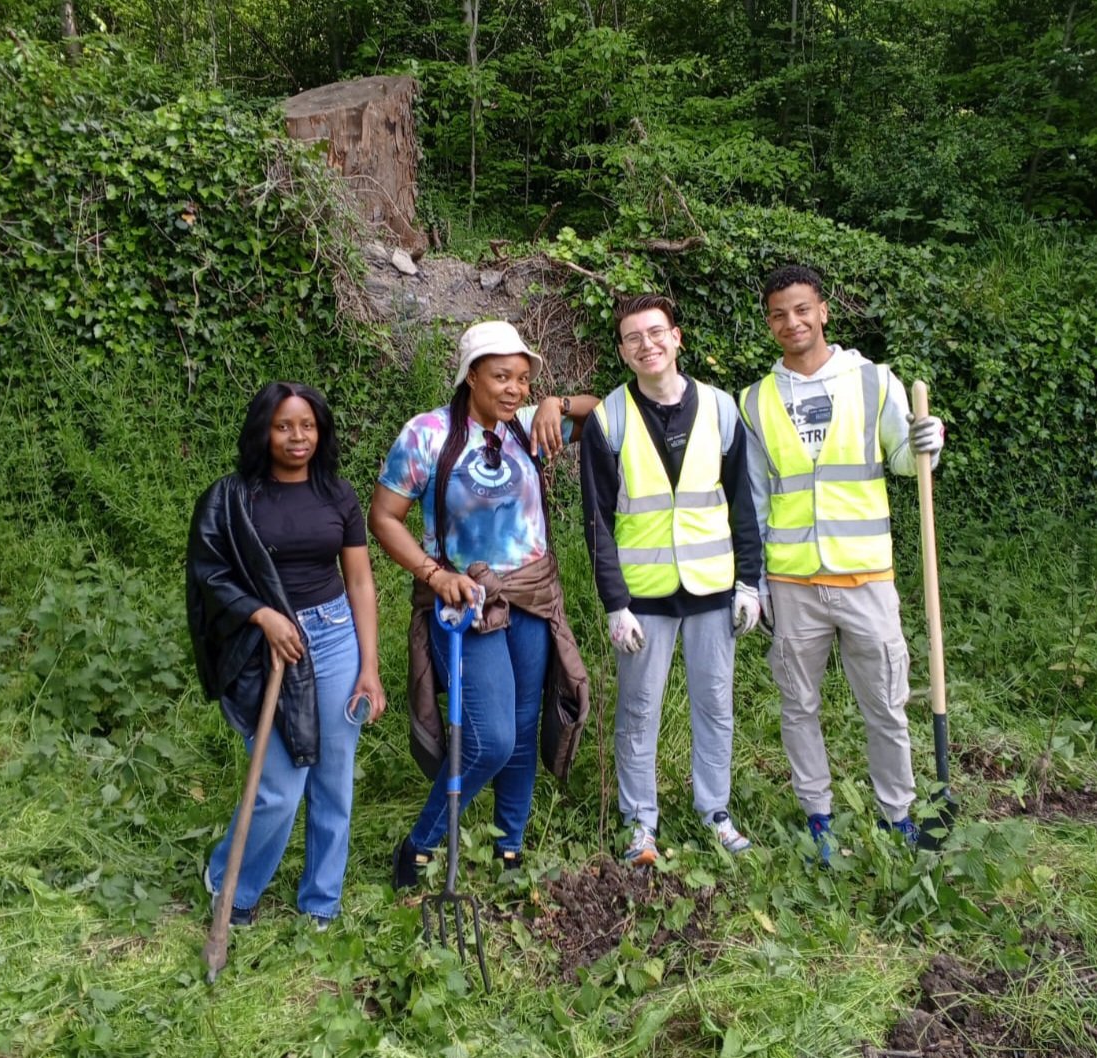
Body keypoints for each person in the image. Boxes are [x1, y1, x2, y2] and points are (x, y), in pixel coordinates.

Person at [368, 320, 597, 886]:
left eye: (522, 378)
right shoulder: (427, 434)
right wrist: (431, 572)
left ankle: (509, 847)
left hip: (532, 594)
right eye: (501, 376)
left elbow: (610, 410)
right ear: (471, 376)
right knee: (491, 736)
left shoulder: (529, 429)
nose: (513, 388)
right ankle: (422, 841)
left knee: (521, 729)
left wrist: (555, 402)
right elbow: (383, 517)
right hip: (465, 600)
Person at [739, 264, 946, 858]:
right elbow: (754, 500)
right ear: (769, 322)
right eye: (778, 313)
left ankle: (897, 813)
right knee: (798, 705)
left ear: (824, 311)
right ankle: (818, 815)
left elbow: (905, 461)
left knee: (885, 702)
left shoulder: (875, 382)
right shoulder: (755, 401)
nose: (791, 322)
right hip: (792, 580)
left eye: (801, 309)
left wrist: (925, 439)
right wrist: (755, 583)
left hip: (866, 577)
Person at [186, 381, 386, 928]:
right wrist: (263, 615)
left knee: (333, 778)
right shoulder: (233, 497)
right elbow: (210, 575)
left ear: (320, 432)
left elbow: (361, 581)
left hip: (335, 635)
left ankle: (321, 903)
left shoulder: (338, 495)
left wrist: (369, 666)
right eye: (283, 426)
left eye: (307, 425)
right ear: (263, 432)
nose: (297, 437)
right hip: (267, 644)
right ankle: (233, 883)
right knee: (278, 784)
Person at [580, 294, 763, 866]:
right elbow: (597, 522)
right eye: (633, 338)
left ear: (677, 337)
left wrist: (750, 583)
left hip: (713, 587)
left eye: (656, 333)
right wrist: (615, 603)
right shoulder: (608, 418)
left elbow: (743, 503)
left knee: (715, 704)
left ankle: (716, 812)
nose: (647, 345)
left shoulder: (720, 408)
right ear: (622, 351)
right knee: (639, 711)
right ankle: (641, 826)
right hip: (644, 597)